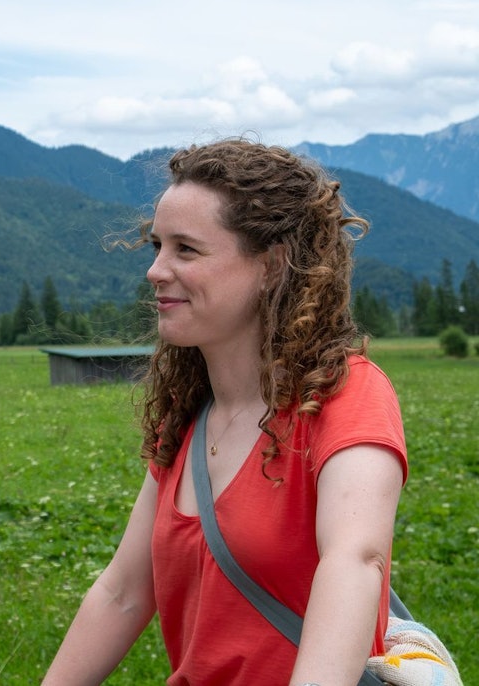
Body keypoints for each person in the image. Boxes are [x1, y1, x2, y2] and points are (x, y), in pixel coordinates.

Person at [43, 138, 407, 685]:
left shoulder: (344, 394)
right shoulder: (187, 419)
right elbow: (123, 592)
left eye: (186, 249)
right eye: (156, 246)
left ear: (271, 265)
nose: (156, 271)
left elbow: (354, 562)